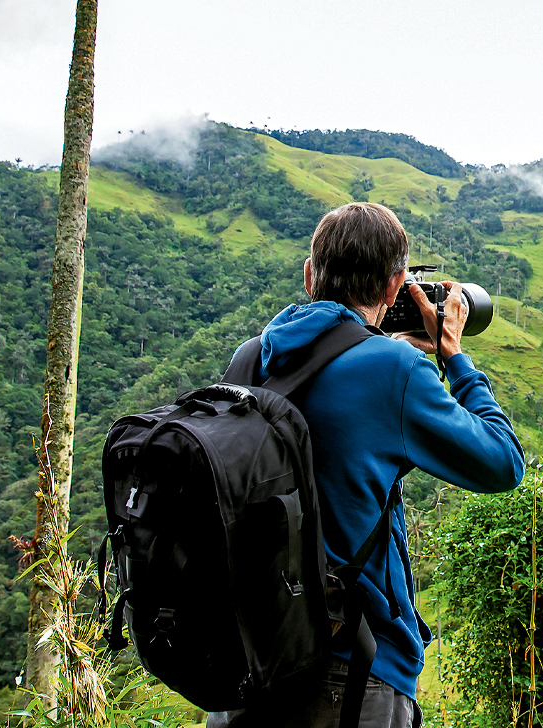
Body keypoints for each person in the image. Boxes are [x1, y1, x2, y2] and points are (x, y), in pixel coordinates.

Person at [211, 201, 525, 728]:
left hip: (248, 663)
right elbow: (503, 463)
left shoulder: (250, 358)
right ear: (395, 286)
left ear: (310, 276)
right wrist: (452, 357)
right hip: (352, 669)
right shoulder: (393, 368)